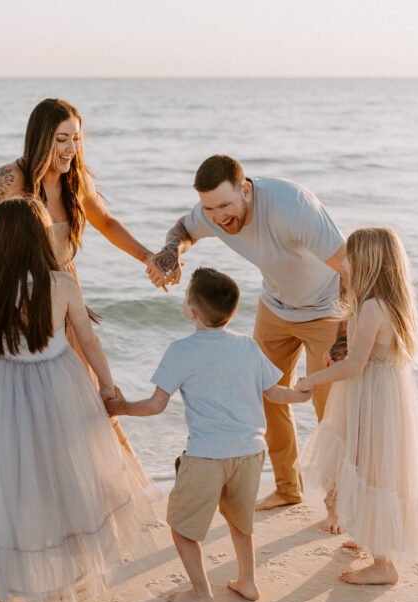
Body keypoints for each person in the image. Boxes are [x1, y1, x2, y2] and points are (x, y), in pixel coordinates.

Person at [0, 197, 158, 602]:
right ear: (39, 235)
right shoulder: (61, 283)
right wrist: (109, 389)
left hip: (3, 387)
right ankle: (74, 571)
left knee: (7, 483)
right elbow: (88, 340)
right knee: (67, 475)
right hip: (55, 383)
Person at [0, 97, 160, 464]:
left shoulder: (75, 180)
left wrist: (147, 257)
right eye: (62, 139)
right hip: (23, 307)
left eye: (76, 139)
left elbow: (107, 223)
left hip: (64, 298)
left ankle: (113, 487)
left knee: (91, 399)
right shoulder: (10, 179)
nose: (71, 149)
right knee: (39, 412)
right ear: (42, 137)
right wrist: (6, 276)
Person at [147, 155, 348, 522]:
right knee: (267, 396)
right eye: (211, 208)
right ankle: (288, 488)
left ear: (247, 191)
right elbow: (183, 228)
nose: (220, 217)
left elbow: (348, 265)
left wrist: (344, 332)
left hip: (325, 308)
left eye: (226, 205)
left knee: (330, 410)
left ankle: (338, 502)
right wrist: (171, 252)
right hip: (275, 307)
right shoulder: (211, 212)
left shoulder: (294, 207)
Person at [106, 267, 315, 602]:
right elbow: (275, 393)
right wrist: (302, 396)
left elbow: (157, 405)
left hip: (206, 456)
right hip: (250, 453)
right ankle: (247, 581)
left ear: (191, 309)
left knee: (183, 528)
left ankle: (202, 593)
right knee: (239, 521)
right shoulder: (247, 346)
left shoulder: (181, 350)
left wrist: (121, 407)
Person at [294, 227, 418, 584]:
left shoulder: (369, 307)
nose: (343, 262)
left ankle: (384, 565)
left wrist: (311, 380)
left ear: (367, 262)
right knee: (373, 464)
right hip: (386, 392)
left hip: (372, 395)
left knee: (372, 469)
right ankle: (373, 539)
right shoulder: (392, 302)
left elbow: (355, 364)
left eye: (349, 256)